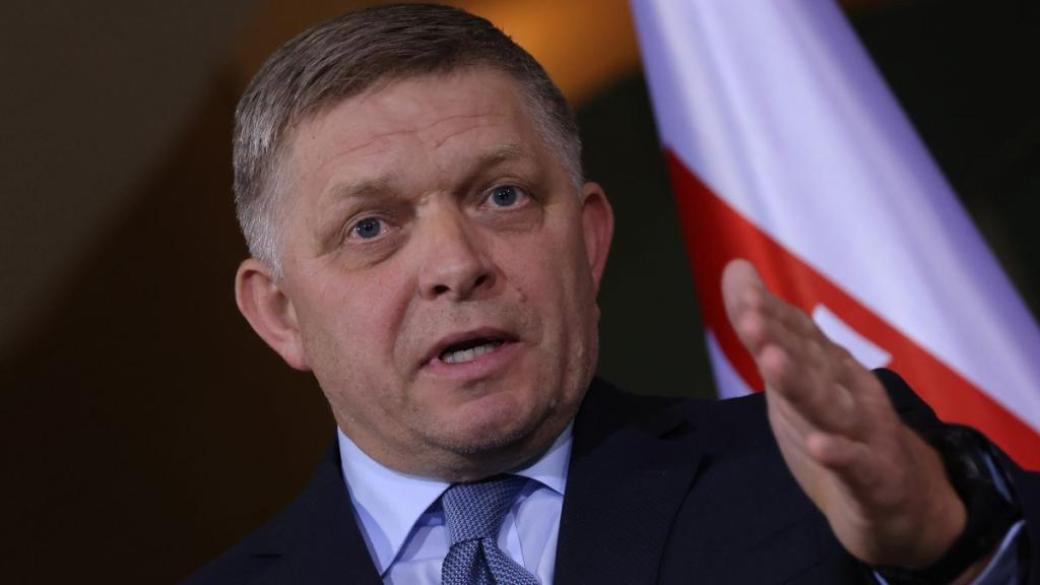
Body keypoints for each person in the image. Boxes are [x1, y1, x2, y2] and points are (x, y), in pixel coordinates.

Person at [187, 4, 1036, 584]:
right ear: (280, 313)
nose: (456, 263)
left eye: (503, 195)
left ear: (589, 242)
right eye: (371, 226)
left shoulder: (821, 485)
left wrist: (942, 539)